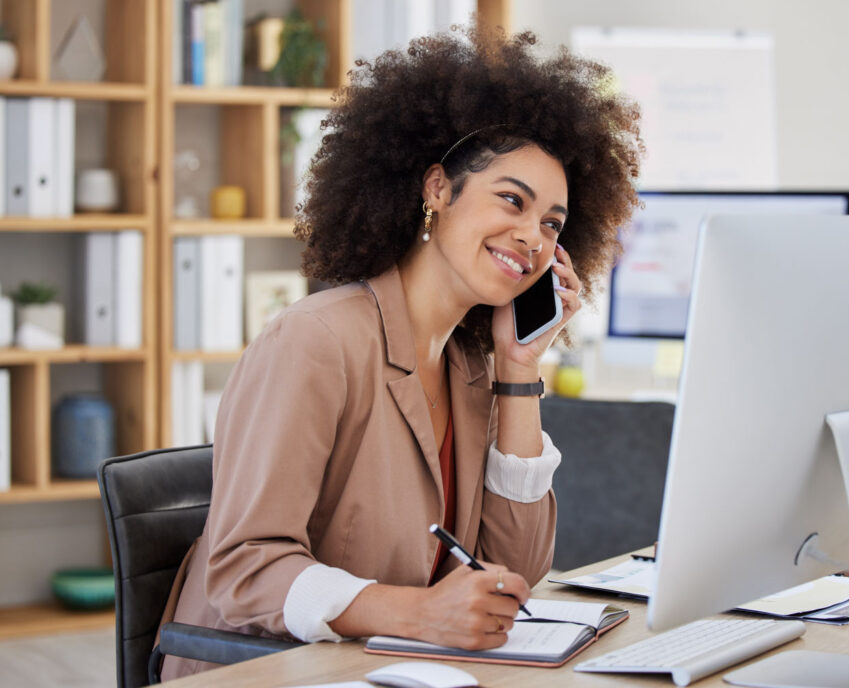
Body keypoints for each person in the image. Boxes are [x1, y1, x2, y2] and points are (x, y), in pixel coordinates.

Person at [160, 25, 641, 679]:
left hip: (387, 669)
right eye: (511, 200)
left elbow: (516, 576)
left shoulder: (473, 368)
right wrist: (417, 614)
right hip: (264, 669)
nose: (532, 235)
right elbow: (246, 570)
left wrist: (520, 373)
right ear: (437, 189)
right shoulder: (316, 341)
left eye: (552, 223)